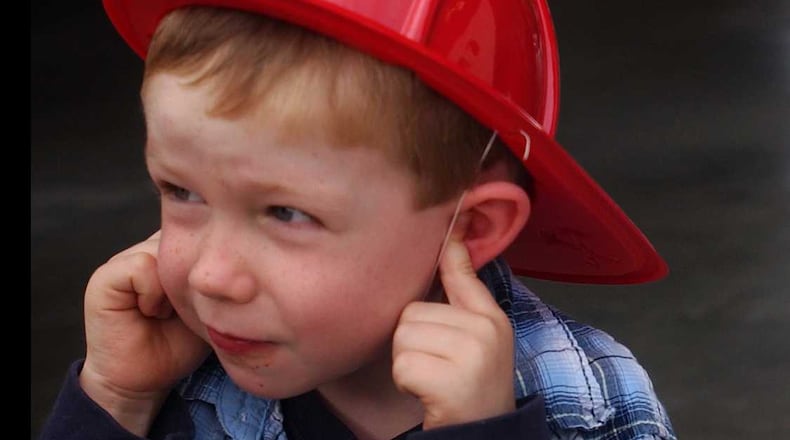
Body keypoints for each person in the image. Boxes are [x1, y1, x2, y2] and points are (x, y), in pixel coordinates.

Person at [38, 0, 676, 439]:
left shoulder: (589, 398)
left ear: (469, 229)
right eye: (180, 191)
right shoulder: (175, 373)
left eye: (286, 212)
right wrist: (116, 401)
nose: (211, 277)